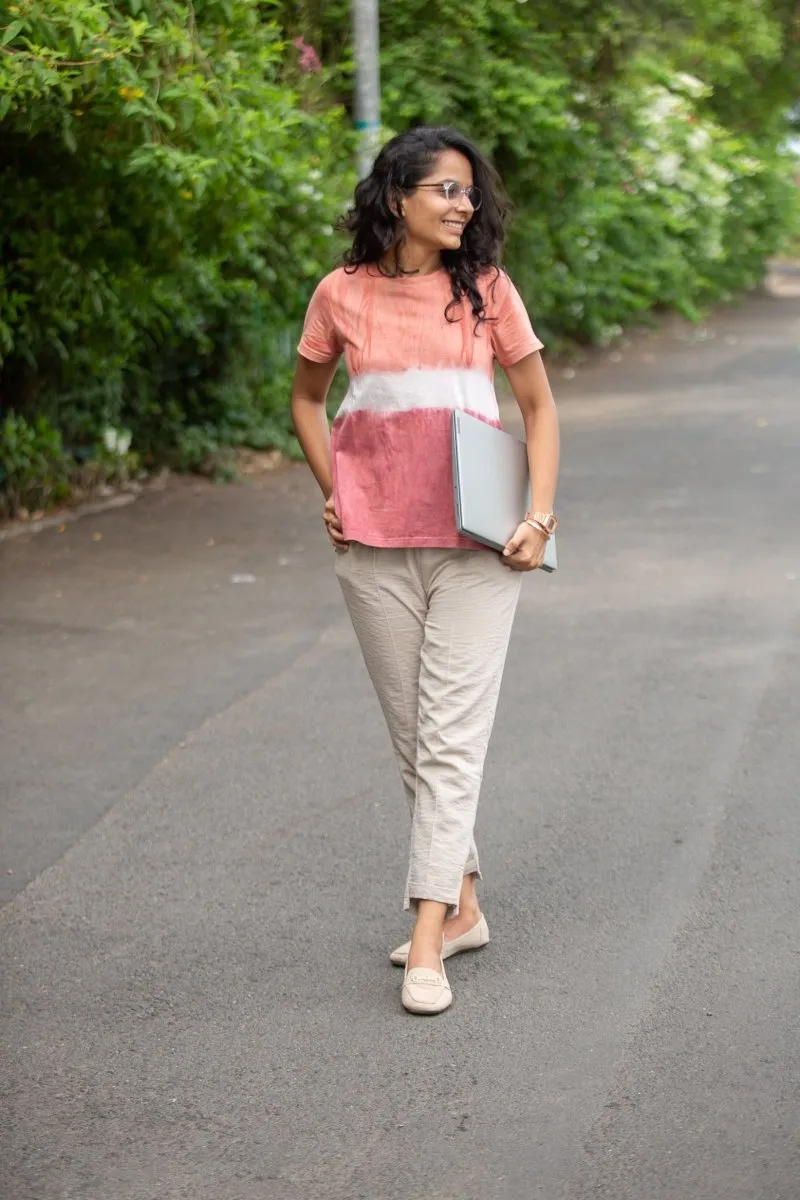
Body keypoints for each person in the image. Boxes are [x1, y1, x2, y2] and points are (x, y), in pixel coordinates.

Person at [291, 126, 560, 1015]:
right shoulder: (341, 293)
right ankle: (467, 909)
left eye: (469, 192)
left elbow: (539, 408)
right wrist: (334, 487)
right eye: (446, 189)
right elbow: (306, 396)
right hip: (372, 545)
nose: (465, 204)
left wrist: (538, 513)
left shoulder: (486, 292)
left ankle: (425, 939)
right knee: (416, 737)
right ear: (397, 194)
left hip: (479, 543)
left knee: (450, 740)